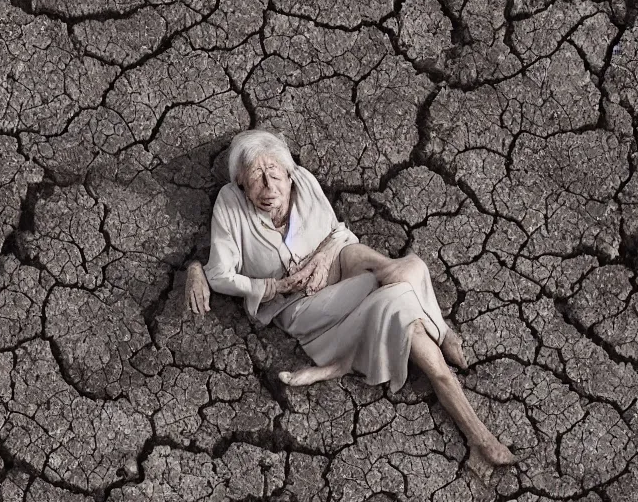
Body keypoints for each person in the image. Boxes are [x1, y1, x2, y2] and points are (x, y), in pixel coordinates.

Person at [184, 129, 516, 468]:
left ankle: (402, 347)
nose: (269, 188)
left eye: (275, 174)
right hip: (300, 304)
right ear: (240, 181)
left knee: (399, 269)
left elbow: (338, 234)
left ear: (288, 172)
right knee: (398, 294)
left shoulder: (304, 182)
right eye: (256, 177)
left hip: (337, 264)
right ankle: (476, 429)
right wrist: (273, 287)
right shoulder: (230, 204)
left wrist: (323, 259)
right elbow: (220, 274)